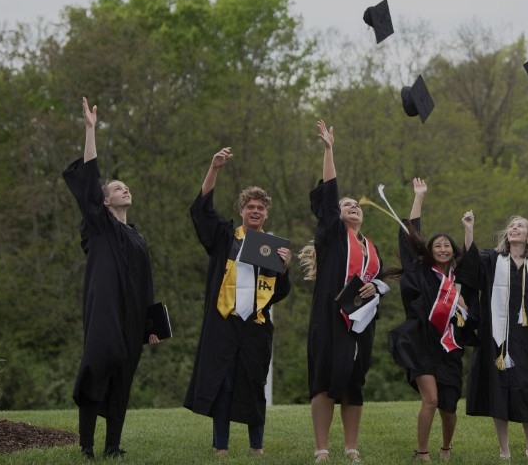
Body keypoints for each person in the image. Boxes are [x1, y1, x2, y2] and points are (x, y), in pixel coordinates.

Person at [62, 96, 159, 460]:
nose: (124, 189)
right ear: (104, 202)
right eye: (117, 187)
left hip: (132, 316)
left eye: (126, 187)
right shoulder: (99, 228)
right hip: (104, 313)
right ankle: (86, 444)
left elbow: (147, 284)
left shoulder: (137, 237)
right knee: (97, 364)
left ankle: (112, 445)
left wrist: (152, 323)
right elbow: (89, 181)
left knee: (123, 375)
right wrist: (90, 131)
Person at [183, 147, 293, 456]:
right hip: (224, 322)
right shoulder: (226, 237)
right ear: (242, 210)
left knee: (254, 386)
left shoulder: (272, 249)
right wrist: (214, 168)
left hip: (256, 325)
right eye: (250, 207)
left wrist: (284, 270)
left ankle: (257, 447)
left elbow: (278, 294)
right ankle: (221, 447)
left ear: (266, 213)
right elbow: (201, 211)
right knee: (224, 385)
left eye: (260, 208)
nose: (255, 211)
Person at [306, 120, 391, 463]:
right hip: (329, 320)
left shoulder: (370, 247)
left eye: (357, 204)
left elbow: (380, 280)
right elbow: (328, 196)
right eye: (346, 204)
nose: (353, 205)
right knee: (326, 382)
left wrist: (378, 286)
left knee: (354, 383)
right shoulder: (330, 238)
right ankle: (323, 448)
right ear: (336, 216)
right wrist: (329, 150)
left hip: (360, 323)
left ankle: (351, 448)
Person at [458, 213, 528, 460]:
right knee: (498, 390)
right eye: (512, 226)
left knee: (525, 387)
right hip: (495, 336)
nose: (515, 229)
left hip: (525, 336)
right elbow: (469, 266)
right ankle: (504, 450)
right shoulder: (492, 259)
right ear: (507, 234)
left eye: (521, 227)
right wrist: (469, 230)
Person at [387, 178, 477, 461]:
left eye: (446, 246)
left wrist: (469, 230)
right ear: (430, 250)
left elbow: (473, 265)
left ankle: (446, 448)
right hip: (421, 342)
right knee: (431, 400)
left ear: (453, 251)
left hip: (449, 347)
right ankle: (422, 452)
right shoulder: (422, 272)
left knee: (449, 406)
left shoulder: (459, 280)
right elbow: (410, 237)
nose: (441, 248)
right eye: (437, 245)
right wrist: (419, 198)